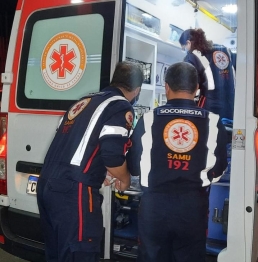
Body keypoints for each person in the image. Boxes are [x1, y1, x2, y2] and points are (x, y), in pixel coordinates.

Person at [36, 61, 144, 262]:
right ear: (137, 90)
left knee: (58, 254)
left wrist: (97, 171)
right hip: (73, 193)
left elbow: (78, 147)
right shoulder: (120, 106)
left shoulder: (84, 101)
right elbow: (112, 156)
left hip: (48, 186)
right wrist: (125, 179)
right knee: (80, 252)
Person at [127, 62, 228, 262]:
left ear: (166, 87)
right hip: (192, 207)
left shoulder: (148, 119)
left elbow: (133, 166)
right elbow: (219, 169)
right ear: (197, 89)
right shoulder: (213, 121)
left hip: (154, 206)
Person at [179, 28, 235, 119]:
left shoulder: (192, 56)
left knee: (209, 131)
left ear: (188, 43)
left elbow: (189, 84)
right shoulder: (224, 50)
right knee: (227, 130)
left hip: (209, 105)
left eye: (184, 48)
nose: (185, 50)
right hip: (230, 104)